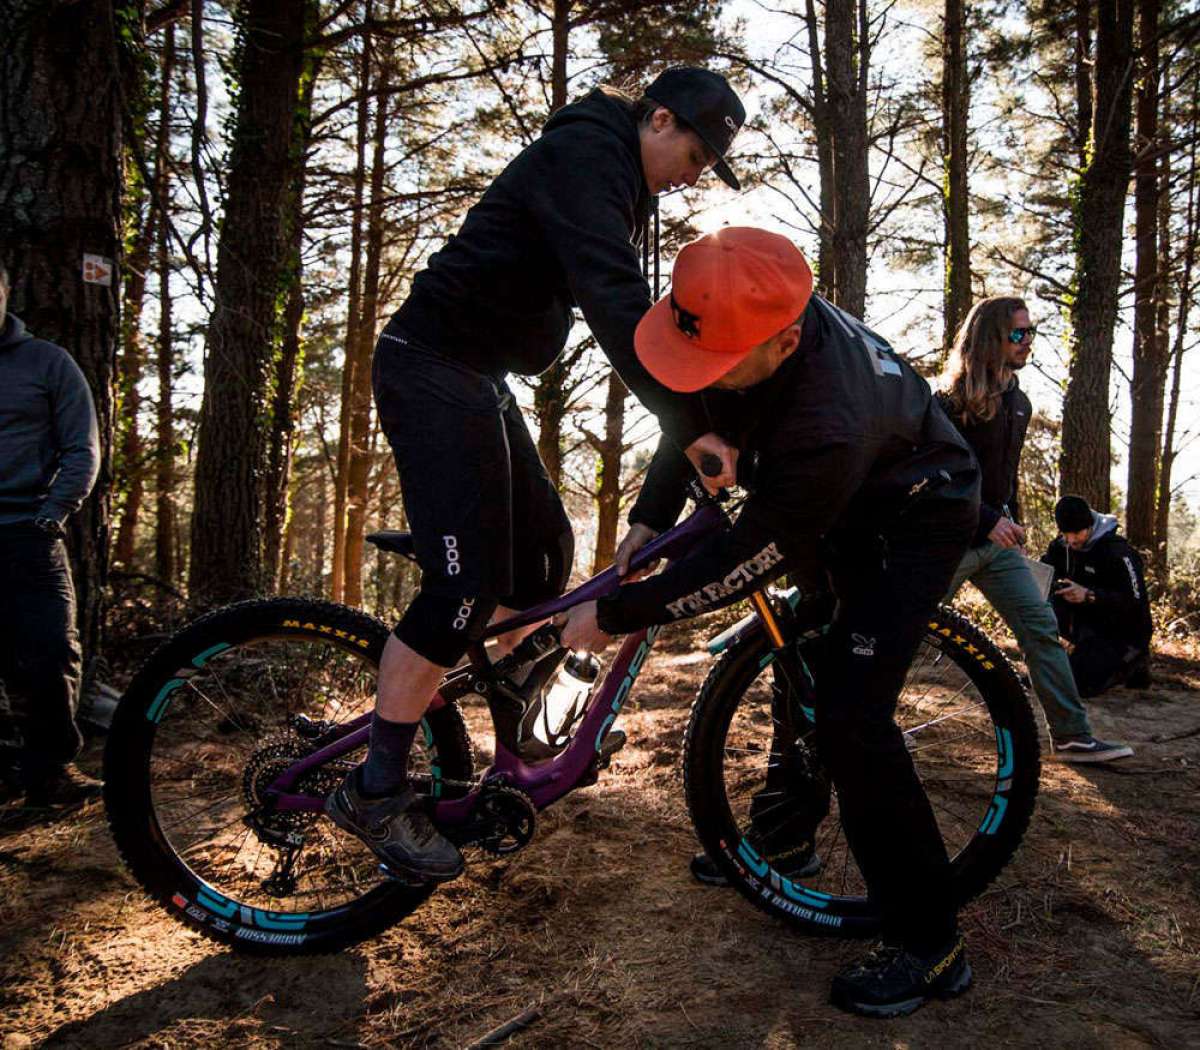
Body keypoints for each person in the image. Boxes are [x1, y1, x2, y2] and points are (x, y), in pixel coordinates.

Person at [324, 68, 747, 882]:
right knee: (463, 587)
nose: (694, 175)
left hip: (477, 374)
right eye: (694, 153)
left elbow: (636, 307)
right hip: (431, 364)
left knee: (545, 554)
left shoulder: (618, 180)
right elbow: (615, 300)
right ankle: (375, 789)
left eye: (707, 166)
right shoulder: (587, 159)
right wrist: (688, 425)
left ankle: (517, 713)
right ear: (657, 119)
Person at [563, 227, 981, 1018]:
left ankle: (933, 946)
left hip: (916, 513)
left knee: (854, 717)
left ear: (786, 341)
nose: (706, 372)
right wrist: (650, 517)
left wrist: (615, 614)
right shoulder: (739, 311)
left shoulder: (826, 418)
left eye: (722, 363)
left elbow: (743, 560)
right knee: (807, 653)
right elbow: (697, 406)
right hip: (843, 498)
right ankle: (788, 834)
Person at [936, 297, 1133, 764]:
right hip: (948, 544)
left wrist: (1012, 518)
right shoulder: (948, 402)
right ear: (991, 338)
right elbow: (938, 476)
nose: (1028, 342)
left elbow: (1002, 475)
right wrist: (987, 519)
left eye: (1031, 333)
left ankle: (1072, 736)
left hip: (998, 546)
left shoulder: (1018, 401)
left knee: (1041, 629)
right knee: (899, 631)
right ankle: (854, 719)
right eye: (1019, 334)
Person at [0, 260, 102, 807]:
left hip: (29, 535)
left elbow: (82, 447)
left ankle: (51, 775)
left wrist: (53, 512)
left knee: (49, 653)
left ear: (6, 292)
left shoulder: (48, 363)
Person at [1042, 495, 1153, 697]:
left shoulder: (1118, 552)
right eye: (1066, 533)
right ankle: (1076, 655)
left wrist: (1090, 595)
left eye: (1076, 532)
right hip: (1085, 630)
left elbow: (1135, 604)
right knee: (1051, 677)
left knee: (1078, 686)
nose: (1071, 540)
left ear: (1090, 525)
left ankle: (1133, 661)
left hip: (1120, 633)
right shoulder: (1060, 548)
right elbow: (1044, 573)